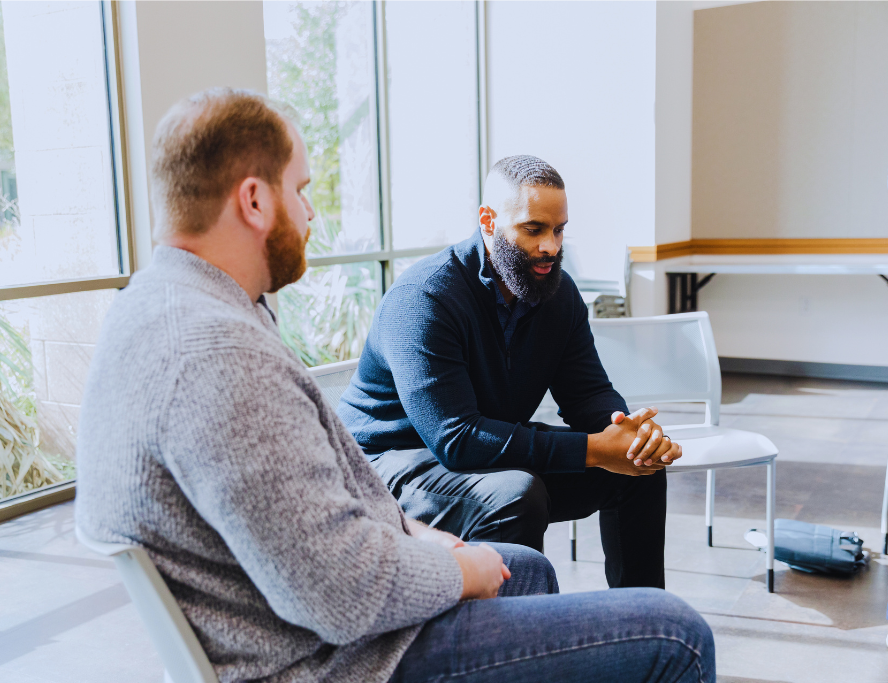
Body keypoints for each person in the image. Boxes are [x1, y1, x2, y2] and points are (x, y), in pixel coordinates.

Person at [76, 88, 714, 683]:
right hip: (342, 658)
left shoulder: (175, 311)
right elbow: (338, 592)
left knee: (531, 567)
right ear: (253, 200)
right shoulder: (219, 354)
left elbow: (315, 533)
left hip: (318, 622)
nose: (310, 209)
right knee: (679, 634)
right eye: (300, 189)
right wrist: (452, 567)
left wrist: (416, 535)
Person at [337, 155, 682, 589]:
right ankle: (516, 644)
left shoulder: (555, 293)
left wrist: (625, 431)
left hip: (480, 448)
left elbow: (588, 392)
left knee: (638, 469)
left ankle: (642, 625)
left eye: (559, 230)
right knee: (516, 496)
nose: (551, 247)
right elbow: (457, 439)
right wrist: (594, 449)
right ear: (488, 220)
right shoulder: (424, 298)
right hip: (390, 466)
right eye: (533, 229)